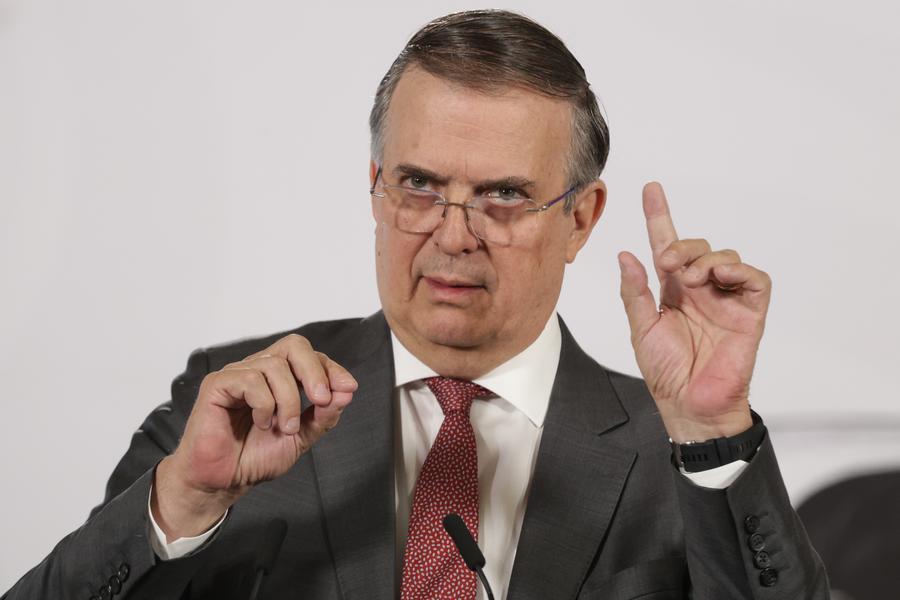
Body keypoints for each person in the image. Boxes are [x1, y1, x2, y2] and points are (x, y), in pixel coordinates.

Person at [2, 9, 829, 600]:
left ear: (580, 219)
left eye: (503, 195)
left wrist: (715, 435)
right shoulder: (235, 408)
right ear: (374, 189)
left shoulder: (675, 453)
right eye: (420, 185)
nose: (453, 234)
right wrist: (181, 503)